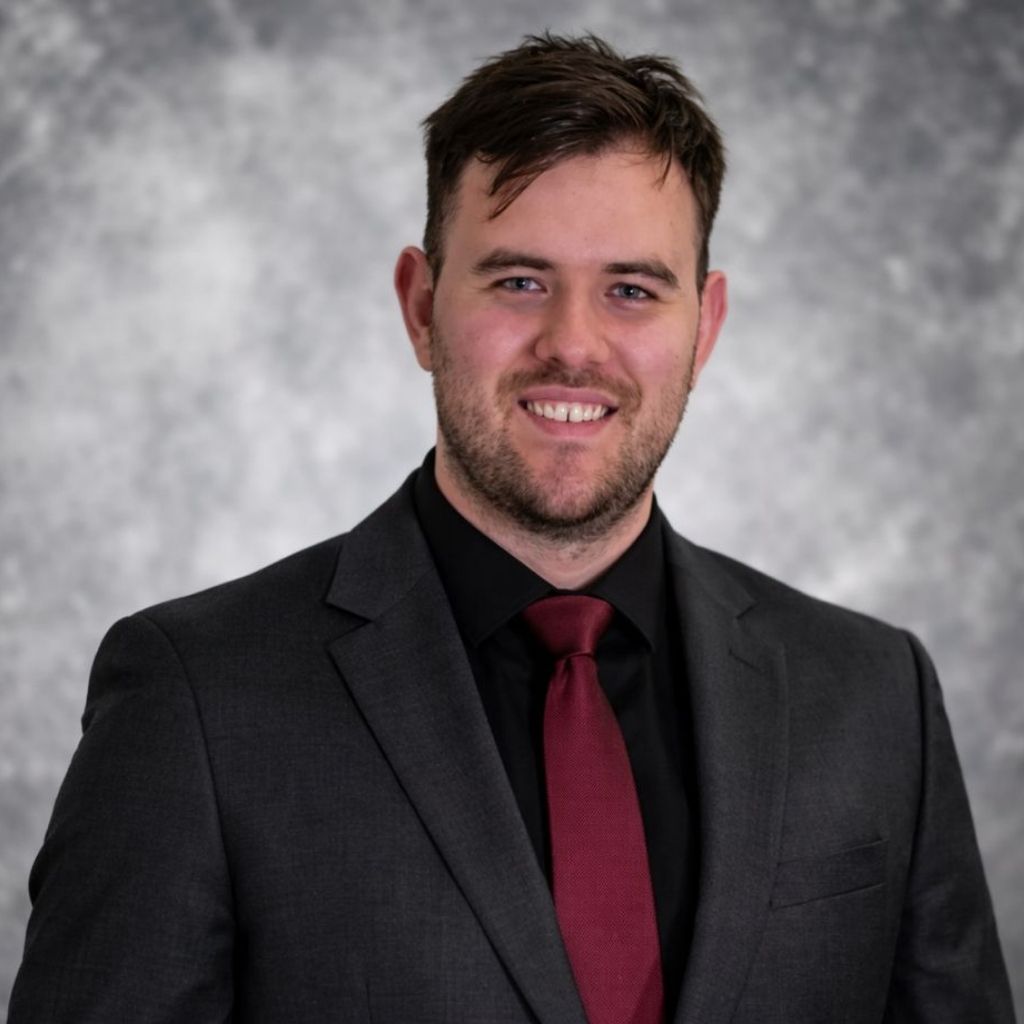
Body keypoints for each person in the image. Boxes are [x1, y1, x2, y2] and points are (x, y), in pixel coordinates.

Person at [9, 32, 1015, 1024]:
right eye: (518, 281)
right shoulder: (198, 697)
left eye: (631, 289)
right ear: (420, 307)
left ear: (703, 328)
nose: (572, 345)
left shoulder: (875, 698)